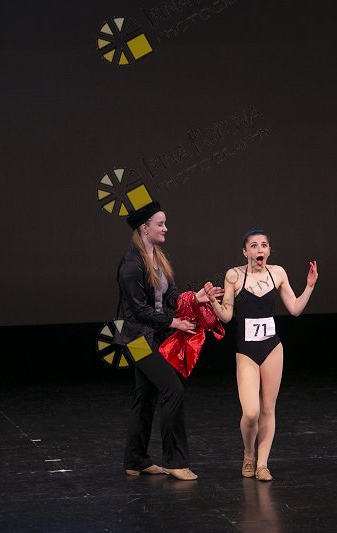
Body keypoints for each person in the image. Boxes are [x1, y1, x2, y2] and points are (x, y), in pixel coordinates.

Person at [116, 201, 220, 481]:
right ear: (144, 228)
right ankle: (175, 461)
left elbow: (171, 296)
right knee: (172, 390)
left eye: (164, 223)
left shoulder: (159, 257)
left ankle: (135, 460)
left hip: (155, 336)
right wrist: (174, 323)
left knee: (145, 397)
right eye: (160, 224)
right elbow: (139, 310)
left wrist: (194, 298)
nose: (165, 228)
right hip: (137, 339)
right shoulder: (131, 264)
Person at [204, 230, 318, 481]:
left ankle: (263, 464)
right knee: (251, 412)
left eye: (264, 245)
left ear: (268, 250)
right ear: (245, 251)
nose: (260, 250)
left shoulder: (277, 273)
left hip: (272, 348)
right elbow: (227, 316)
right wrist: (213, 301)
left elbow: (295, 308)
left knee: (268, 408)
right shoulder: (234, 275)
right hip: (246, 350)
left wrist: (309, 286)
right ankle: (248, 454)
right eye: (254, 246)